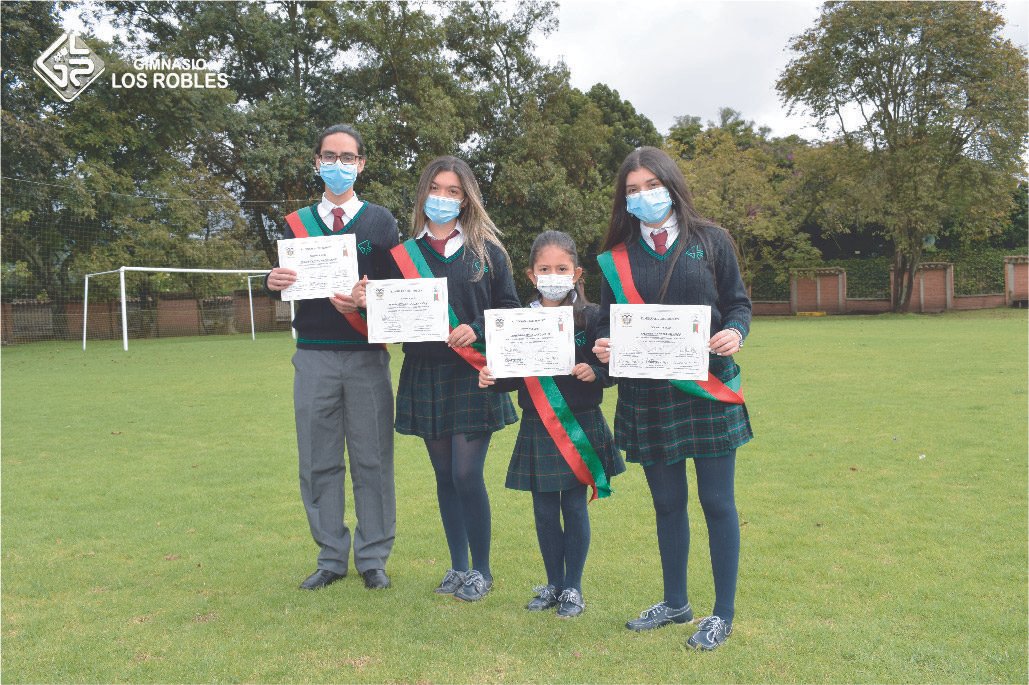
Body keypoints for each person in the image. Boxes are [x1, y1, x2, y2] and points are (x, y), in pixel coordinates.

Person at [593, 146, 753, 650]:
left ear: (671, 184)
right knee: (667, 503)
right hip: (647, 393)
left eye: (651, 185)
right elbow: (604, 322)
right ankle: (676, 602)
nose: (643, 196)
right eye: (632, 190)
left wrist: (735, 332)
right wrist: (602, 346)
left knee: (716, 501)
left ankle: (721, 614)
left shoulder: (712, 240)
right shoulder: (615, 256)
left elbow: (739, 303)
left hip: (707, 389)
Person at [356, 155, 519, 602]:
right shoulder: (402, 255)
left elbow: (509, 308)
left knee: (467, 474)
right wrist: (364, 300)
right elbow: (387, 310)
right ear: (423, 194)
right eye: (436, 189)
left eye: (453, 191)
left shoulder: (488, 251)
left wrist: (480, 328)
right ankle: (458, 566)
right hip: (425, 371)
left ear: (466, 199)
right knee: (444, 475)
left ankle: (481, 570)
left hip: (473, 373)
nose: (443, 198)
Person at [265, 124, 399, 591]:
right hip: (313, 357)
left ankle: (373, 557)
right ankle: (330, 557)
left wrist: (368, 298)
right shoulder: (295, 222)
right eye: (329, 156)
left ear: (362, 164)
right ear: (316, 161)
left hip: (367, 358)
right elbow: (286, 276)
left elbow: (397, 294)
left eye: (348, 157)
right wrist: (272, 281)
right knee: (318, 460)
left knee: (373, 460)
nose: (338, 165)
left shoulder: (382, 222)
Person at [478, 230, 625, 618]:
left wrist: (595, 371)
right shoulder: (516, 321)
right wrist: (493, 379)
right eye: (545, 268)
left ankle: (573, 587)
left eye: (562, 268)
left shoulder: (593, 317)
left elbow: (614, 368)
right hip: (538, 424)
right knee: (543, 510)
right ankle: (552, 583)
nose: (553, 275)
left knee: (575, 506)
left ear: (577, 273)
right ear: (531, 275)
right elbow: (512, 376)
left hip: (581, 423)